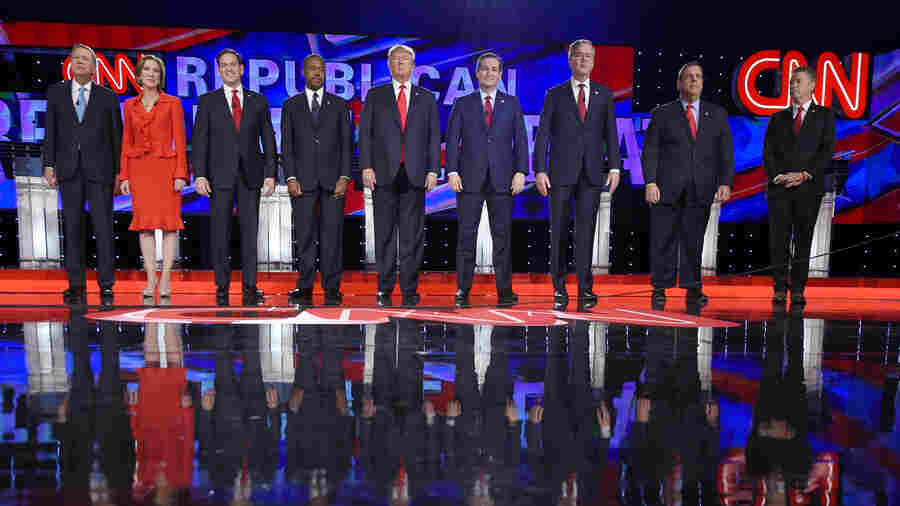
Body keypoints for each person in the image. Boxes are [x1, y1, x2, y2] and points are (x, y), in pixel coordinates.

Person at [533, 39, 621, 309]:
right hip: (559, 174)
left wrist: (614, 167)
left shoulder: (604, 94)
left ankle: (585, 289)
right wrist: (539, 170)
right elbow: (543, 135)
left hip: (592, 174)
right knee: (558, 232)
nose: (583, 60)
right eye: (578, 56)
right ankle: (559, 289)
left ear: (593, 61)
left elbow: (611, 133)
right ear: (570, 60)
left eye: (588, 56)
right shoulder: (554, 94)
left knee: (586, 233)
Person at [641, 61, 734, 309]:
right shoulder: (663, 113)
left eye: (698, 76)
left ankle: (693, 288)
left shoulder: (717, 114)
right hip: (665, 188)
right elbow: (650, 151)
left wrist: (725, 182)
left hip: (701, 188)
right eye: (689, 76)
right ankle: (660, 288)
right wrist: (650, 182)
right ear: (679, 83)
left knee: (694, 241)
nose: (694, 80)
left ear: (703, 83)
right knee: (663, 240)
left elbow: (725, 152)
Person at [192, 48, 277, 306]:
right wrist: (200, 175)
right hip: (219, 177)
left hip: (250, 176)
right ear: (219, 70)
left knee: (250, 233)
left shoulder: (257, 100)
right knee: (220, 233)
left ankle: (250, 286)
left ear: (242, 69)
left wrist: (271, 174)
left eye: (233, 64)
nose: (228, 68)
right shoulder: (208, 101)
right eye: (223, 65)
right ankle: (222, 286)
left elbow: (268, 140)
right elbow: (200, 142)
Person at [359, 44, 441, 307]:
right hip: (383, 174)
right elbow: (365, 134)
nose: (400, 63)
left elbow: (433, 136)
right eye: (395, 59)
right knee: (384, 234)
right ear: (389, 64)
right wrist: (366, 167)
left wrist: (433, 170)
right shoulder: (375, 95)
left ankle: (409, 288)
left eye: (405, 59)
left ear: (413, 65)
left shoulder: (426, 97)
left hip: (415, 175)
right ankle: (384, 288)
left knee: (412, 236)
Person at [446, 52, 528, 307]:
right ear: (477, 73)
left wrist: (521, 171)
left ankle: (505, 291)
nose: (489, 73)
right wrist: (452, 171)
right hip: (468, 179)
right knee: (466, 237)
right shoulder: (463, 103)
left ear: (500, 74)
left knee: (502, 238)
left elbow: (521, 140)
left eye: (494, 69)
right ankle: (463, 290)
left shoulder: (511, 103)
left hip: (503, 180)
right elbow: (452, 140)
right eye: (484, 69)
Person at [42, 43, 122, 306]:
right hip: (69, 170)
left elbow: (116, 137)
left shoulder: (107, 96)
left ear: (94, 66)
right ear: (70, 63)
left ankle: (106, 284)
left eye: (85, 58)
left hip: (101, 171)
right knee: (73, 228)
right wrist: (49, 164)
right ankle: (75, 285)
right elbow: (50, 132)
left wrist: (119, 173)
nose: (79, 61)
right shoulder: (56, 93)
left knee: (103, 228)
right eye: (75, 58)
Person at [281, 54, 353, 306]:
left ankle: (332, 287)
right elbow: (287, 145)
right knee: (305, 236)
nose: (317, 73)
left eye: (321, 69)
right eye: (312, 69)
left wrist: (345, 176)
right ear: (303, 72)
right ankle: (305, 286)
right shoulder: (291, 105)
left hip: (334, 181)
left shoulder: (340, 105)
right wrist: (290, 177)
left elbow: (347, 145)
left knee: (333, 236)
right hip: (302, 181)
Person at [763, 66, 836, 306]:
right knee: (779, 240)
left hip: (808, 189)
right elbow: (768, 153)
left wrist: (805, 174)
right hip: (780, 188)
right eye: (791, 82)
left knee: (803, 239)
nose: (792, 85)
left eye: (798, 81)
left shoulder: (825, 116)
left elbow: (826, 151)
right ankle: (779, 287)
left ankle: (797, 289)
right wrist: (779, 176)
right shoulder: (778, 118)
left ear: (812, 85)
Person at [119, 54, 188, 299]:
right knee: (144, 226)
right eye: (146, 70)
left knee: (169, 226)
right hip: (140, 170)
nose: (151, 74)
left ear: (161, 76)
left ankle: (166, 277)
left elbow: (180, 141)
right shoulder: (129, 105)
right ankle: (151, 277)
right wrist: (124, 176)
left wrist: (181, 173)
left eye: (155, 70)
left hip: (166, 170)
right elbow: (126, 142)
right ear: (139, 75)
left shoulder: (172, 103)